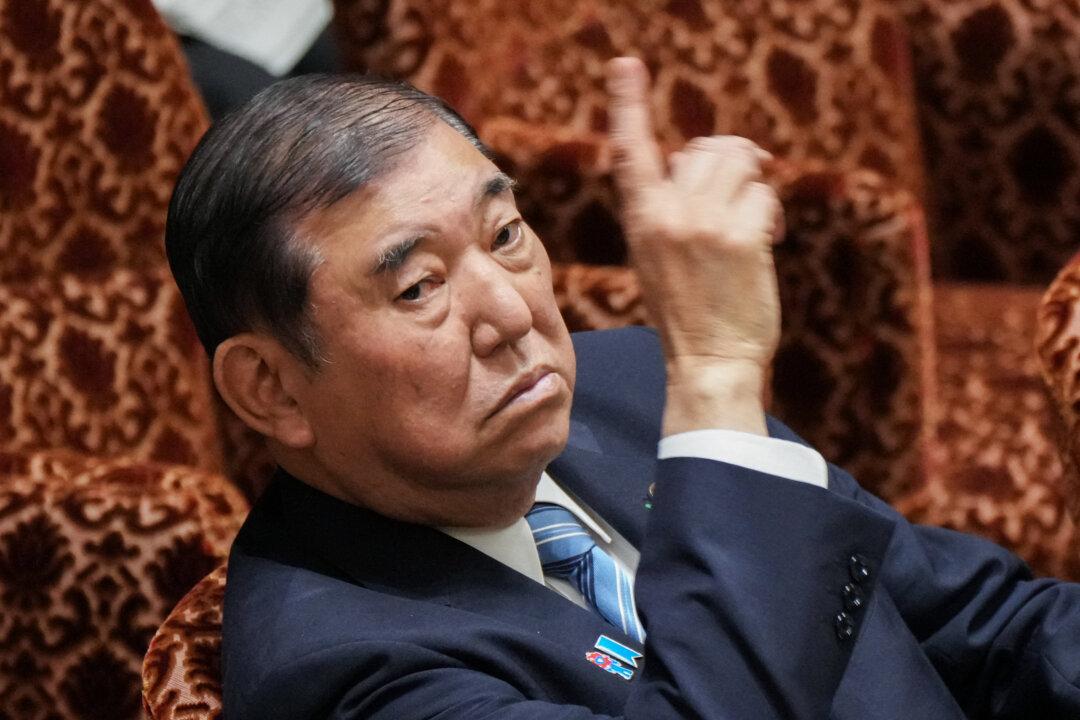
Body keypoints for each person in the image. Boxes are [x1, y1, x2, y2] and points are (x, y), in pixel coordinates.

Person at [165, 58, 1080, 719]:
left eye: (506, 234)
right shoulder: (343, 671)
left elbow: (981, 625)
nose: (512, 314)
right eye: (418, 287)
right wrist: (719, 370)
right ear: (270, 390)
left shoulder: (631, 383)